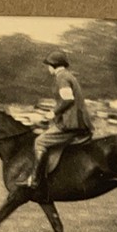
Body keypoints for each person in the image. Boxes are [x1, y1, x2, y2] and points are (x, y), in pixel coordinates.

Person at [22, 49, 94, 190]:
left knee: (40, 141)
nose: (47, 68)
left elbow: (67, 100)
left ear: (53, 65)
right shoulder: (68, 76)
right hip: (75, 120)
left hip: (71, 123)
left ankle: (36, 179)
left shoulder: (61, 78)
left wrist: (53, 113)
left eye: (48, 65)